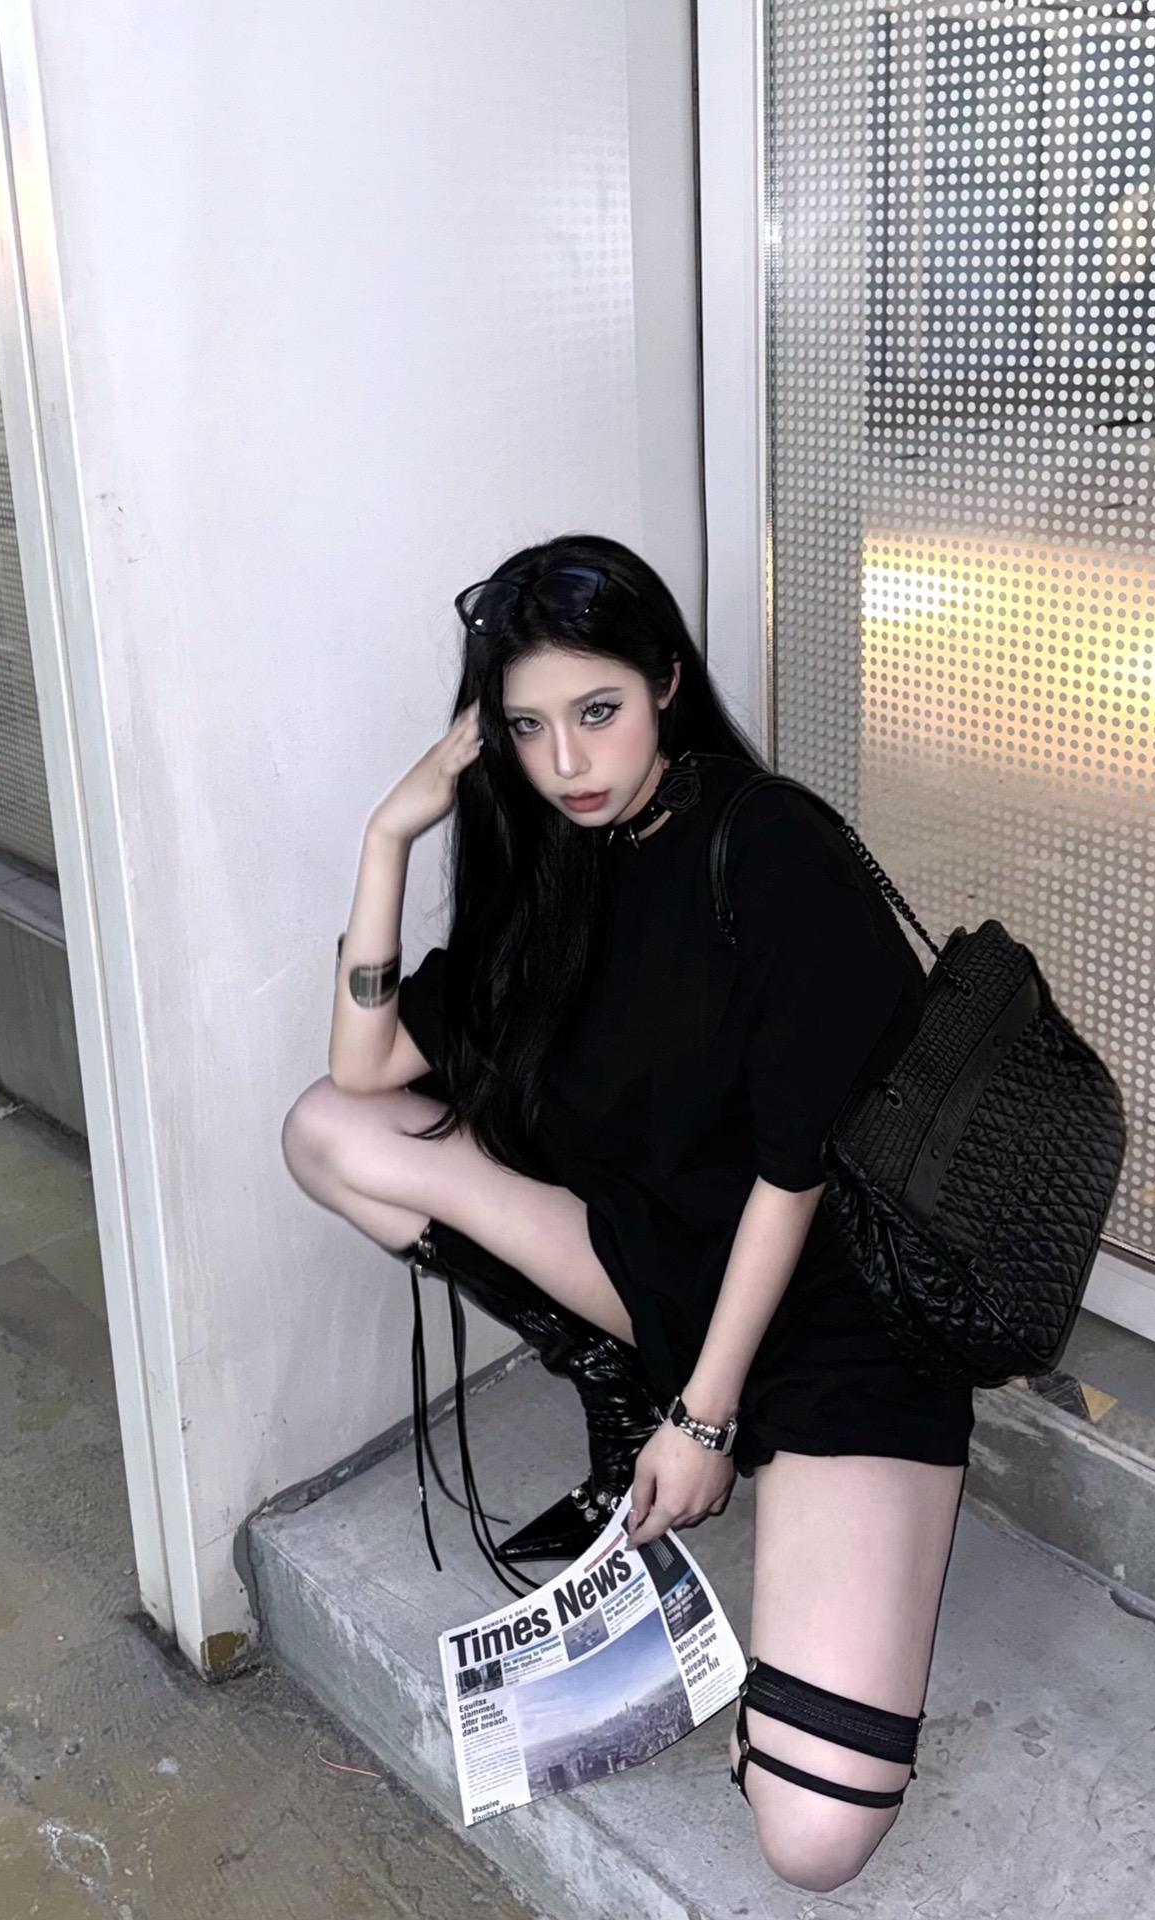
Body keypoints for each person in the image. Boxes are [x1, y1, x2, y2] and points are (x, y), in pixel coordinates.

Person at [281, 531, 974, 1892]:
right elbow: (361, 1074)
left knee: (813, 1835)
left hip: (837, 1316)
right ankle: (622, 1382)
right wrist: (389, 832)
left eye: (597, 711)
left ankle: (720, 1449)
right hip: (665, 1270)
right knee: (327, 1133)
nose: (567, 762)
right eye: (528, 728)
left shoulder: (765, 847)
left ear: (664, 680)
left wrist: (709, 1419)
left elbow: (796, 1171)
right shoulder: (554, 866)